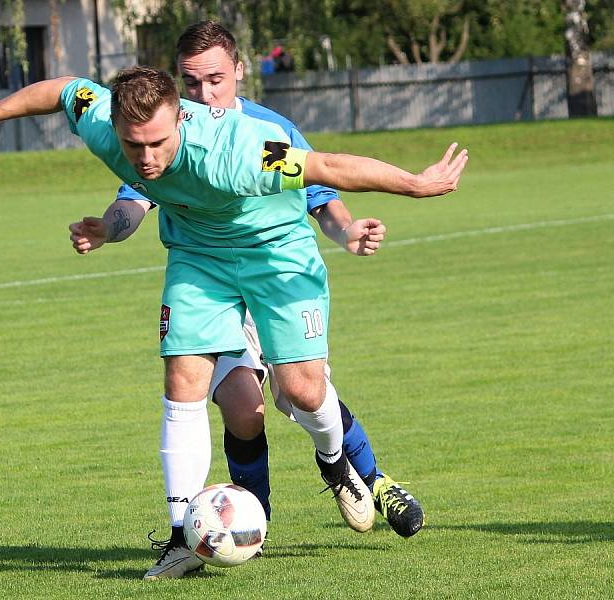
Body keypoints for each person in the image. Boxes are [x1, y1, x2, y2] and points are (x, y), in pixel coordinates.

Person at [0, 66, 467, 580]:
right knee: (182, 379)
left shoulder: (234, 150)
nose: (145, 158)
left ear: (181, 121)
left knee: (303, 392)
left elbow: (328, 166)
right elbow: (61, 89)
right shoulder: (102, 120)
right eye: (133, 144)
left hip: (275, 253)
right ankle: (180, 540)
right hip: (198, 256)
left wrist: (417, 185)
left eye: (158, 143)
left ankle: (335, 460)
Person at [71, 20, 427, 561]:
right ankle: (244, 528)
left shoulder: (264, 133)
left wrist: (347, 231)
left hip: (276, 273)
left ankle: (364, 475)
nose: (204, 94)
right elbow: (135, 198)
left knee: (302, 394)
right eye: (191, 83)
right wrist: (108, 225)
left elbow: (323, 191)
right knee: (242, 407)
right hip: (207, 275)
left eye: (215, 79)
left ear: (238, 70)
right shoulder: (163, 132)